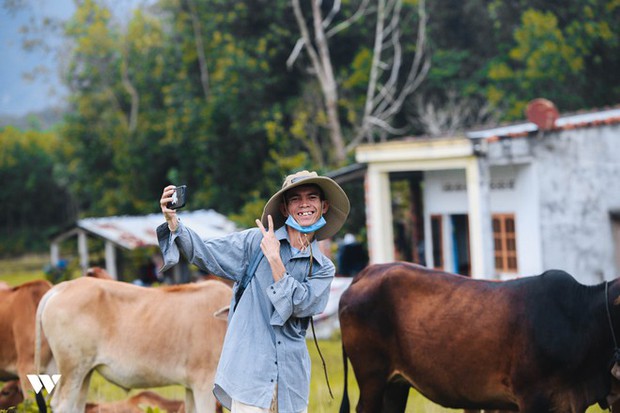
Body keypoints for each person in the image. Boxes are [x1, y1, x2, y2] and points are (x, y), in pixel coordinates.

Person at [157, 170, 350, 413]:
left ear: (324, 206)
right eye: (295, 199)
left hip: (292, 383)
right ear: (284, 209)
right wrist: (173, 222)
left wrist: (275, 261)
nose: (304, 205)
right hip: (248, 376)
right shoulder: (255, 242)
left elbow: (298, 306)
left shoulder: (323, 269)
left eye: (312, 197)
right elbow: (205, 253)